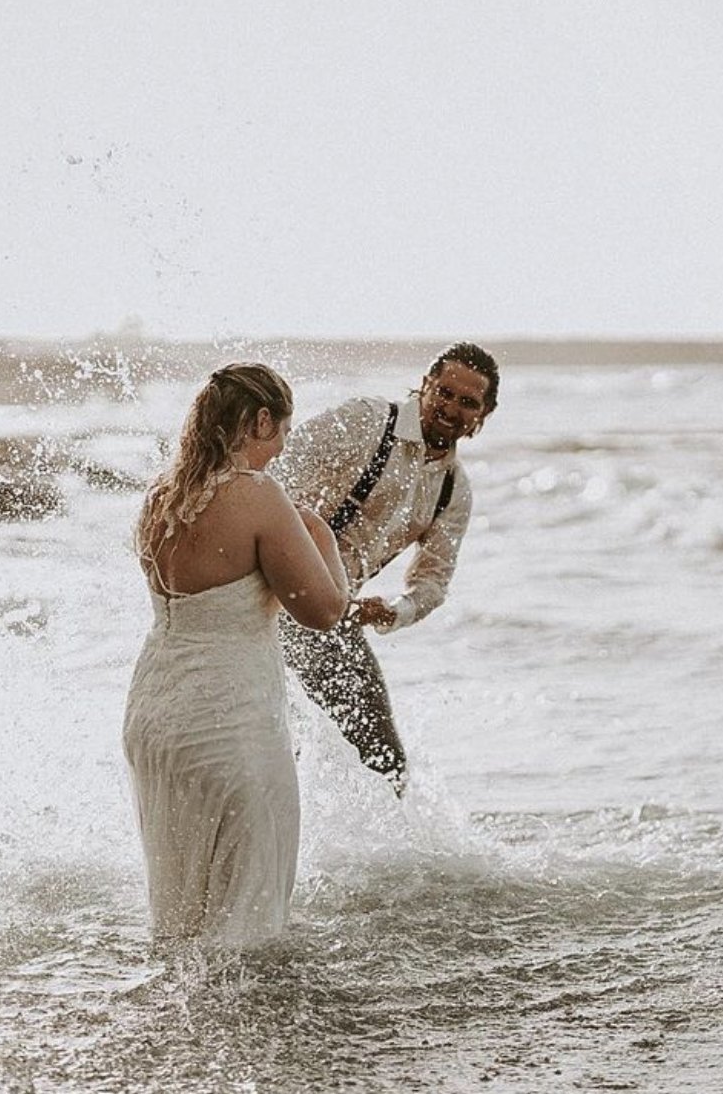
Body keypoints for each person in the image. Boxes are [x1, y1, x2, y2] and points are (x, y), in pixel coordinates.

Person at [124, 362, 349, 946]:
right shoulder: (256, 494)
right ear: (261, 420)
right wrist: (319, 533)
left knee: (180, 915)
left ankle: (177, 1029)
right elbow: (324, 611)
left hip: (156, 714)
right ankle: (244, 1034)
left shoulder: (160, 496)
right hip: (227, 719)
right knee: (248, 919)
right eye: (283, 435)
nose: (280, 451)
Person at [271, 342, 499, 794]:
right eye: (444, 393)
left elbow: (433, 581)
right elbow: (273, 473)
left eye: (468, 402)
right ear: (425, 385)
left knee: (385, 762)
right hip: (265, 592)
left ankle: (365, 858)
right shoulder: (367, 421)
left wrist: (391, 610)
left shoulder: (454, 490)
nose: (451, 408)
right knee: (274, 741)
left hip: (334, 616)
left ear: (484, 415)